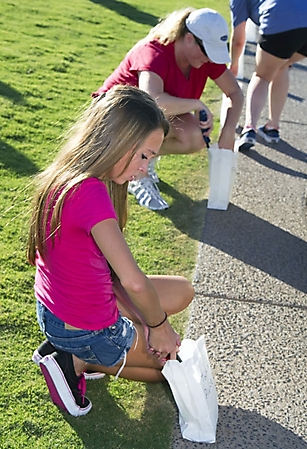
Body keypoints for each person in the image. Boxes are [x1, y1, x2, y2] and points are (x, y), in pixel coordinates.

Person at [28, 85, 194, 417]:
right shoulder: (91, 193)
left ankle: (77, 352)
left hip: (55, 311)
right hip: (83, 326)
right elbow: (133, 282)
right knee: (171, 366)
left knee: (183, 291)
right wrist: (158, 327)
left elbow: (105, 271)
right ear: (119, 141)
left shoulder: (69, 175)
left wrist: (145, 323)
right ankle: (78, 359)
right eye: (145, 155)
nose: (146, 168)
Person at [92, 7, 243, 211]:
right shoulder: (154, 51)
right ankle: (137, 174)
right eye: (207, 51)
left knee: (195, 135)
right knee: (153, 120)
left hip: (146, 119)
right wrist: (196, 104)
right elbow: (152, 100)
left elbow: (235, 93)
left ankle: (140, 159)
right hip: (112, 118)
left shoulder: (203, 57)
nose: (209, 58)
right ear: (189, 38)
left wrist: (228, 130)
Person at [230, 0, 307, 151]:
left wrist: (233, 64)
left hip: (280, 21)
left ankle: (249, 129)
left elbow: (238, 39)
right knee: (281, 65)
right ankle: (272, 128)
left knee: (262, 76)